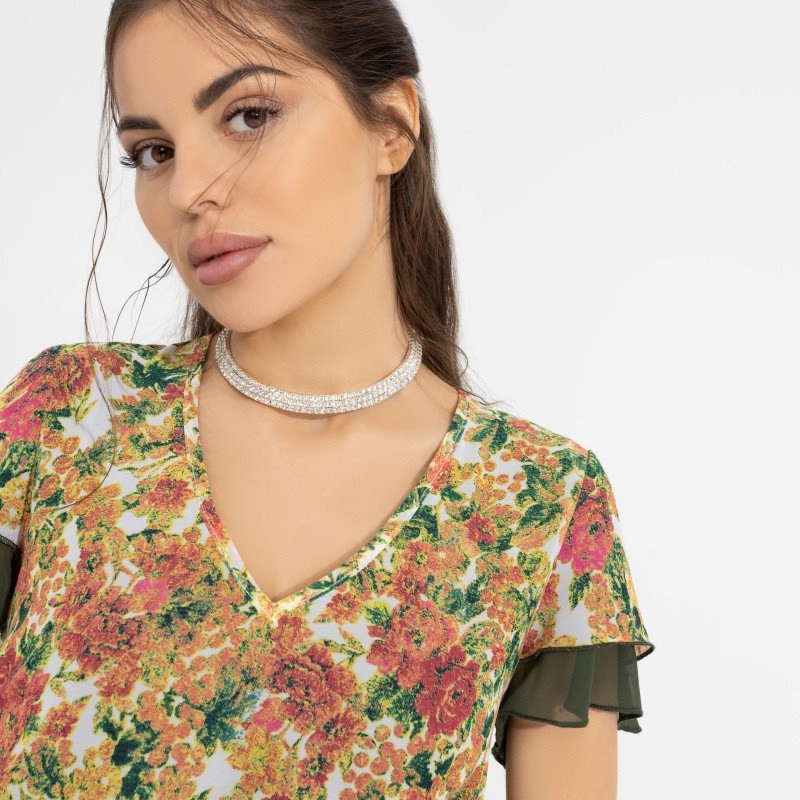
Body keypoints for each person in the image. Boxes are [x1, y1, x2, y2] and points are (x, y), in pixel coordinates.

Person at [0, 1, 654, 797]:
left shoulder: (537, 500)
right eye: (154, 151)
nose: (189, 191)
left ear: (392, 126)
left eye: (249, 115)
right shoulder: (69, 419)